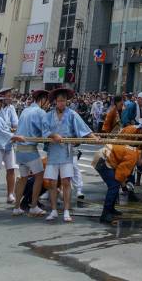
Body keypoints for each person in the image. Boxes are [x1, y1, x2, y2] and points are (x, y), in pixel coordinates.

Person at [43, 87, 96, 223]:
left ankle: (66, 210)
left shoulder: (72, 114)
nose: (62, 103)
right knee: (52, 183)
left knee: (66, 182)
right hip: (53, 152)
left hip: (67, 152)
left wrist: (93, 136)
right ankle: (54, 210)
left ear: (67, 101)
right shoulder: (48, 115)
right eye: (60, 101)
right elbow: (44, 131)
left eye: (64, 101)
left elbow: (83, 127)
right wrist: (53, 135)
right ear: (55, 101)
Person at [94, 141, 142, 224]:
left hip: (107, 157)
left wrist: (123, 185)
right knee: (114, 186)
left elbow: (122, 172)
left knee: (116, 185)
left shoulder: (136, 153)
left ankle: (111, 209)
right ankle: (105, 215)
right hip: (103, 158)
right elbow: (119, 176)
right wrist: (124, 187)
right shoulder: (132, 158)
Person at [13, 88, 50, 218]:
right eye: (48, 101)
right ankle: (33, 206)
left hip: (19, 150)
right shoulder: (40, 112)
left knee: (23, 178)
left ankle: (16, 207)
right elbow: (46, 133)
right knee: (39, 176)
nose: (48, 104)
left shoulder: (25, 110)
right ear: (43, 99)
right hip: (30, 149)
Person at [0, 91, 25, 205]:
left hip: (8, 144)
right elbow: (1, 131)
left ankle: (10, 194)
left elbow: (14, 124)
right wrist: (15, 136)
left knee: (11, 168)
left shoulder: (7, 110)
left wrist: (14, 133)